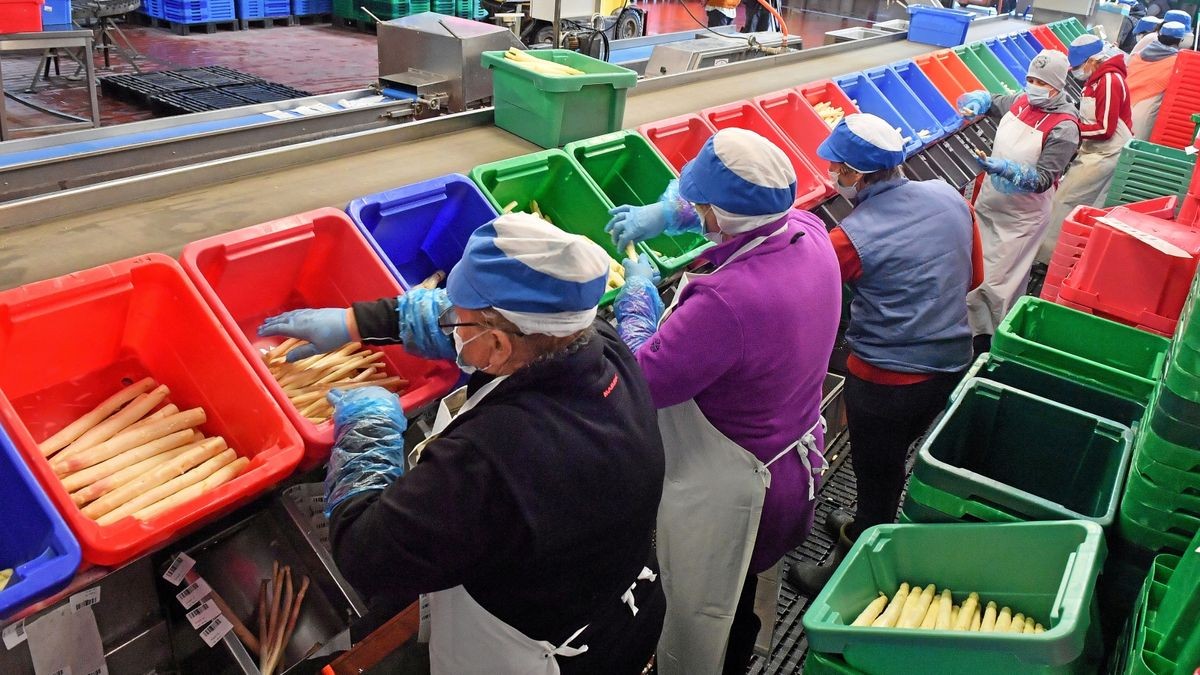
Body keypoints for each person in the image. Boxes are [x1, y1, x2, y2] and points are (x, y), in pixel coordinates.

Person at [257, 213, 667, 674]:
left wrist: (367, 431)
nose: (448, 322)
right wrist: (355, 322)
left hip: (531, 653)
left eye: (459, 320)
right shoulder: (596, 344)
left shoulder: (494, 457)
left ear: (496, 346)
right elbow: (472, 325)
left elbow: (365, 555)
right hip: (615, 601)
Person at [607, 127, 841, 674]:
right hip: (791, 464)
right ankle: (744, 643)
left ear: (722, 214)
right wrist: (667, 217)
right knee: (746, 592)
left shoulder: (727, 300)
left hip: (738, 495)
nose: (697, 213)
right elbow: (739, 220)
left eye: (701, 207)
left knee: (711, 612)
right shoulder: (808, 230)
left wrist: (637, 298)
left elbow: (646, 378)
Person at [784, 114, 984, 593]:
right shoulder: (948, 196)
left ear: (854, 174)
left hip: (885, 381)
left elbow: (805, 305)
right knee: (891, 461)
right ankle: (863, 520)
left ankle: (855, 559)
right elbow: (973, 278)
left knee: (877, 472)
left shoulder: (849, 239)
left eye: (837, 168)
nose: (834, 176)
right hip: (953, 364)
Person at [958, 49, 1080, 353]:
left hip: (1020, 219)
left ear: (1056, 86)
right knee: (973, 277)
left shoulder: (1065, 127)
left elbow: (1042, 180)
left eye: (1040, 81)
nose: (1032, 85)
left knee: (997, 286)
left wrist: (1007, 170)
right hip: (988, 204)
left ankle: (992, 348)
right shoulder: (1022, 102)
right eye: (1029, 78)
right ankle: (967, 336)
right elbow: (995, 101)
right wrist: (980, 101)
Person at [1041, 36, 1132, 264]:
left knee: (1065, 201)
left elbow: (1105, 128)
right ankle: (1060, 256)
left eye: (1079, 66)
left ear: (1093, 60)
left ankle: (1050, 260)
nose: (1076, 72)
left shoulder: (1110, 80)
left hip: (1107, 153)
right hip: (1094, 151)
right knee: (1071, 201)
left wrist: (1070, 131)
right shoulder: (1095, 79)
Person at [1128, 21, 1189, 139]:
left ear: (1159, 36)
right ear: (1181, 40)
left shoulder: (1139, 55)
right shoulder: (1177, 63)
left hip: (1123, 107)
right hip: (1144, 114)